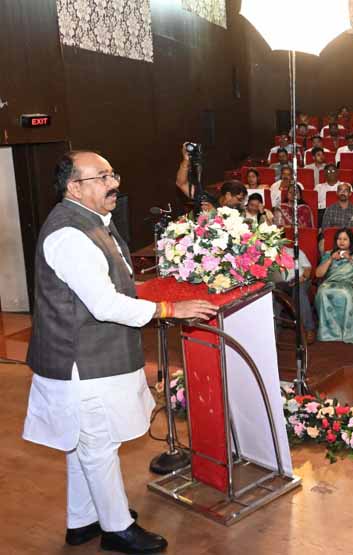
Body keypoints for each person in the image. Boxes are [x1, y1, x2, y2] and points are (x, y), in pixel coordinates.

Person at [25, 151, 217, 554]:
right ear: (74, 187)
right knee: (97, 445)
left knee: (83, 445)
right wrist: (170, 309)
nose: (114, 183)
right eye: (102, 177)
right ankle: (116, 529)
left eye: (113, 174)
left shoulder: (91, 221)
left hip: (93, 358)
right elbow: (105, 304)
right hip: (81, 363)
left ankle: (82, 521)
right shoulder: (69, 235)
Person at [315, 228, 353, 344]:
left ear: (351, 241)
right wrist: (331, 259)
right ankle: (329, 333)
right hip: (330, 283)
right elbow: (318, 274)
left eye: (345, 239)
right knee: (322, 292)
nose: (341, 242)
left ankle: (350, 332)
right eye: (339, 239)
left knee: (346, 293)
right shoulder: (328, 254)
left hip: (350, 284)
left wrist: (350, 259)